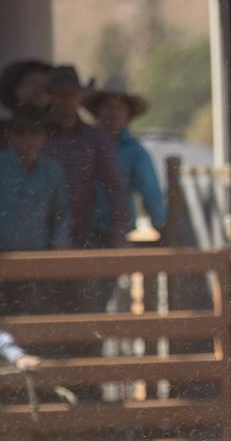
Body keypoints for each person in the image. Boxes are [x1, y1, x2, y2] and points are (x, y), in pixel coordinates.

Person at [42, 65, 129, 249]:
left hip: (82, 233)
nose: (67, 100)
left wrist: (118, 231)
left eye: (72, 94)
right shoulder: (35, 136)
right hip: (37, 235)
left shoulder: (95, 139)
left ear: (80, 96)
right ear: (50, 96)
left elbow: (115, 187)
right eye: (61, 94)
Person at [0, 105, 70, 315]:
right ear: (10, 136)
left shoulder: (52, 170)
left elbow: (62, 213)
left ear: (44, 137)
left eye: (34, 133)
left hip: (38, 260)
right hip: (3, 259)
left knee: (39, 318)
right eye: (21, 133)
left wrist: (59, 242)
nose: (28, 140)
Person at [85, 76, 167, 238]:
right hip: (84, 232)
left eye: (120, 108)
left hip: (118, 234)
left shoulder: (135, 152)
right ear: (98, 111)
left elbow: (150, 190)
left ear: (128, 115)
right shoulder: (84, 144)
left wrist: (162, 226)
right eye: (108, 107)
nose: (113, 114)